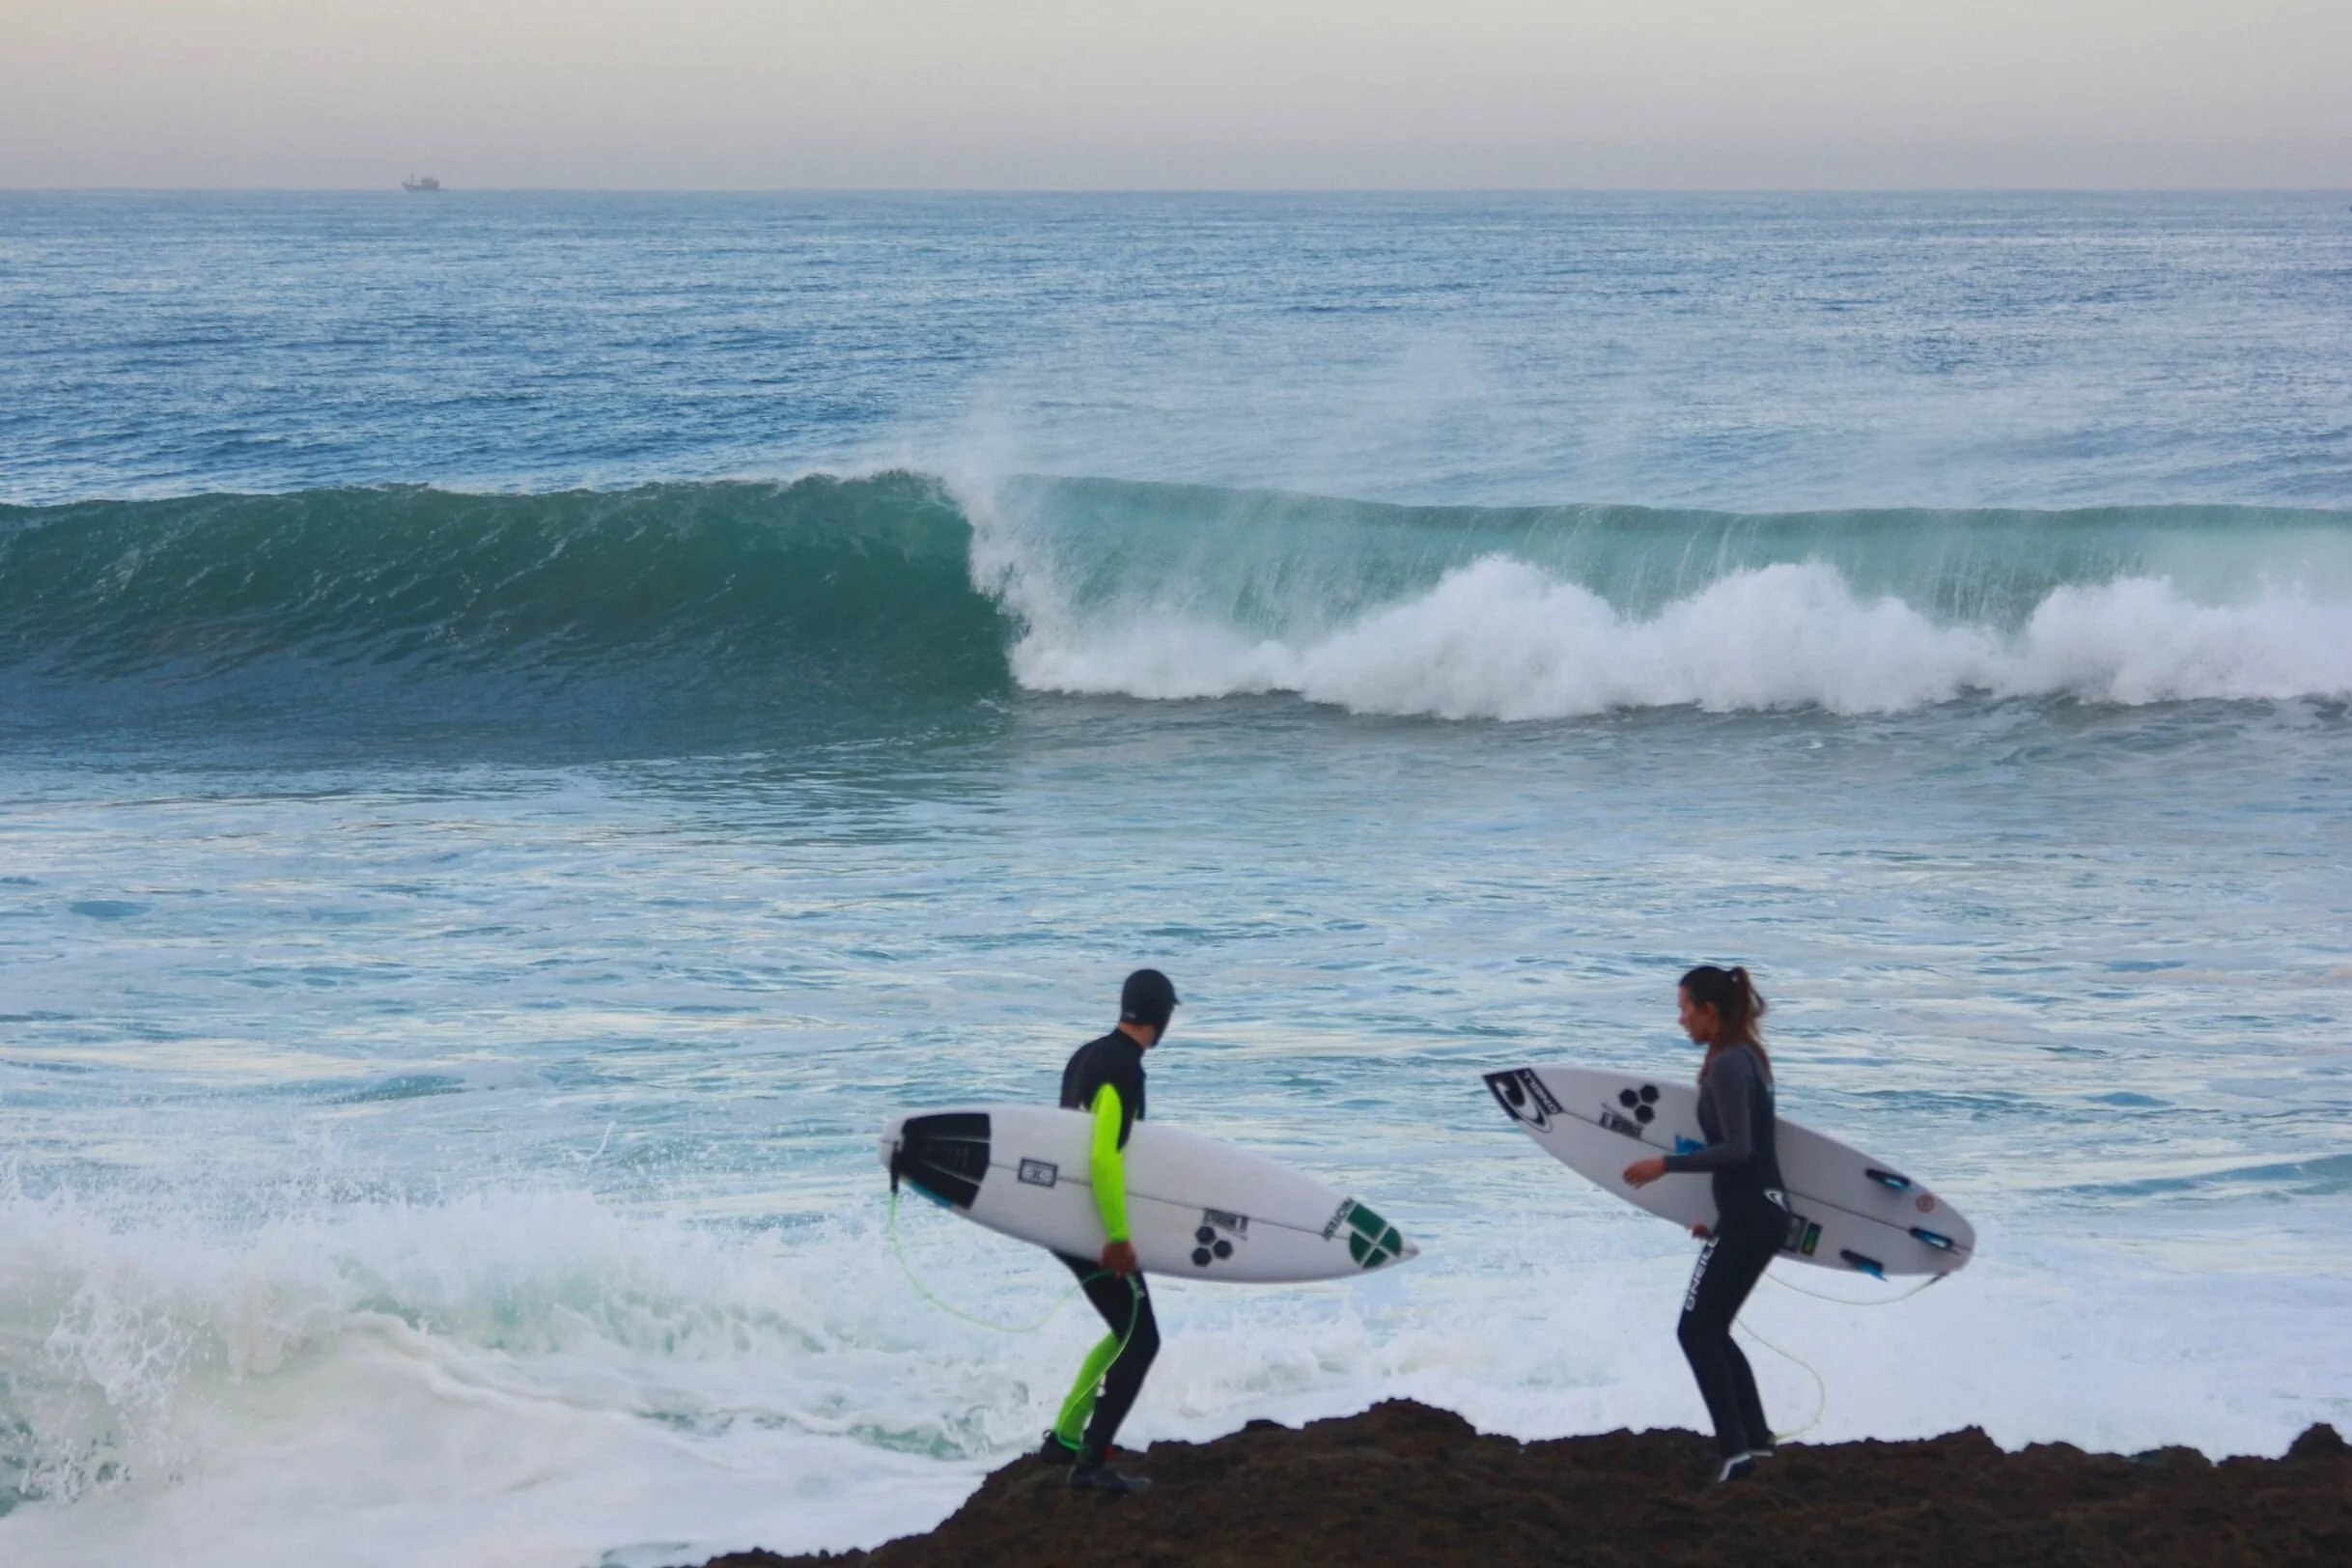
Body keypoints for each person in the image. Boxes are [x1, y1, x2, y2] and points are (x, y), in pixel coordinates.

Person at [1623, 965, 1788, 1487]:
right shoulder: (1743, 1058)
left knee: (1695, 1330)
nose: (1681, 1020)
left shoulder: (1730, 1066)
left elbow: (1740, 1150)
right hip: (1751, 1213)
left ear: (1709, 1011)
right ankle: (1755, 1441)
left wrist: (1663, 1165)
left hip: (1753, 1215)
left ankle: (1735, 1452)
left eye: (1685, 1008)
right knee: (1712, 1328)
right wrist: (1718, 1221)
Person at [1037, 967, 1178, 1496]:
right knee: (1142, 1341)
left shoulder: (1087, 1055)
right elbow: (1102, 1156)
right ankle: (1090, 1465)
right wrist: (1118, 1235)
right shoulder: (1124, 1066)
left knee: (1128, 1331)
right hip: (1094, 1226)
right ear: (1161, 1017)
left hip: (1064, 1218)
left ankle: (1068, 1439)